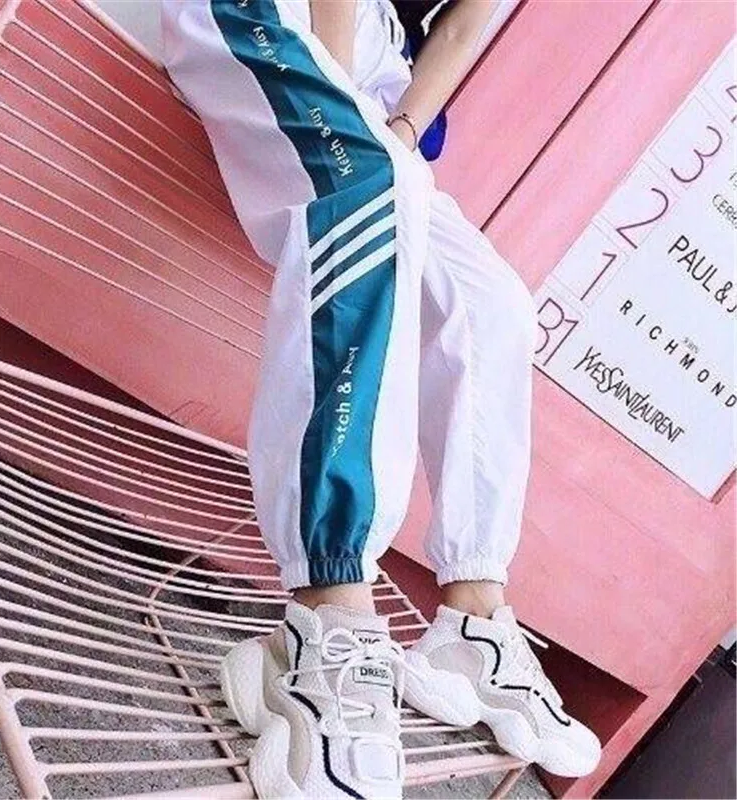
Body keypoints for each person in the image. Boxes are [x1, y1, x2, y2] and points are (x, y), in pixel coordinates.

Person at [161, 0, 602, 796]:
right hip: (272, 18)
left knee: (495, 303)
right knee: (368, 185)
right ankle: (328, 613)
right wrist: (354, 119)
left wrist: (396, 127)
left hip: (377, 70)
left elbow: (460, 29)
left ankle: (473, 615)